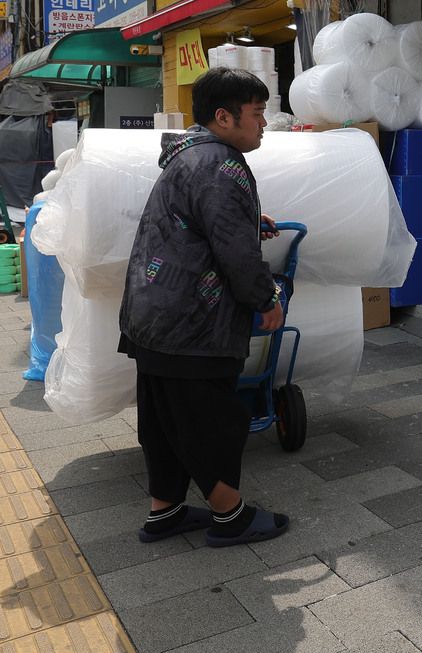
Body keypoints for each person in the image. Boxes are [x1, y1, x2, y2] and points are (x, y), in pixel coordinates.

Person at [118, 66, 289, 547]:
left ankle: (165, 512)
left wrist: (249, 216)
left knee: (163, 420)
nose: (263, 124)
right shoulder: (223, 164)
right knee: (211, 420)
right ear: (224, 117)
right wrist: (265, 298)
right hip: (190, 321)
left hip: (154, 314)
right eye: (257, 114)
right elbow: (235, 253)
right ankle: (229, 517)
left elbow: (199, 220)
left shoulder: (190, 156)